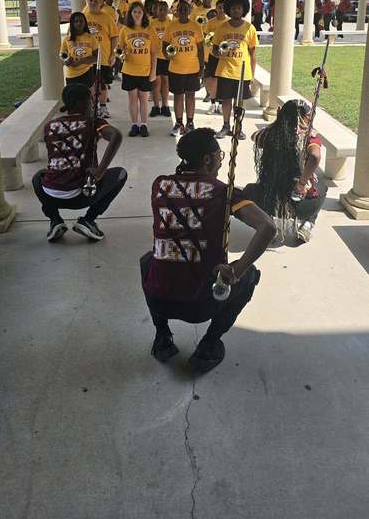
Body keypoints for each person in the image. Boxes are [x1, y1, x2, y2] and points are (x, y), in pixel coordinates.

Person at [141, 128, 276, 372]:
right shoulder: (223, 192)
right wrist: (238, 268)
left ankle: (162, 337)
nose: (220, 161)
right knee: (250, 275)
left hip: (159, 300)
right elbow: (267, 226)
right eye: (218, 155)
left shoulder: (159, 185)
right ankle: (208, 345)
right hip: (202, 304)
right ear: (207, 159)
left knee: (147, 261)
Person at [32, 83, 126, 242]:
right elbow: (116, 136)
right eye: (90, 101)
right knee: (121, 174)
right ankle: (88, 220)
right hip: (82, 195)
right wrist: (100, 170)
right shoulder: (93, 122)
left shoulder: (50, 126)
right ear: (80, 103)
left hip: (50, 194)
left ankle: (55, 220)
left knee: (37, 177)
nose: (92, 104)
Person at [244, 99, 327, 243]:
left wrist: (278, 123)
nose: (310, 117)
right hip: (298, 204)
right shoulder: (309, 138)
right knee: (322, 188)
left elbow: (254, 136)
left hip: (269, 198)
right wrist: (301, 184)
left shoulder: (270, 135)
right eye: (308, 114)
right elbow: (315, 156)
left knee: (249, 191)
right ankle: (307, 225)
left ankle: (268, 224)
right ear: (301, 117)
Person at [212, 0, 258, 140]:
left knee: (239, 102)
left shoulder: (250, 28)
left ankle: (238, 127)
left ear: (243, 10)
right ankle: (226, 126)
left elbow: (252, 53)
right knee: (226, 100)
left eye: (238, 8)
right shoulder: (221, 28)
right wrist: (218, 52)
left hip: (242, 71)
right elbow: (214, 48)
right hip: (225, 70)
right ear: (228, 10)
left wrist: (252, 75)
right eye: (233, 8)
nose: (236, 11)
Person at [163, 0, 204, 137]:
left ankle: (190, 122)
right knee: (178, 96)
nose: (183, 11)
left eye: (185, 9)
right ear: (176, 11)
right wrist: (167, 54)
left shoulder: (195, 27)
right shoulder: (171, 26)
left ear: (189, 11)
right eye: (180, 9)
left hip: (193, 67)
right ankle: (179, 123)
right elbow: (165, 45)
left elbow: (200, 48)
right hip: (175, 68)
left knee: (190, 96)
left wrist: (202, 67)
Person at [118, 1, 158, 137]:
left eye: (139, 12)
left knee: (144, 98)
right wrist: (121, 53)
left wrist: (153, 72)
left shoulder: (149, 29)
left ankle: (144, 124)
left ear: (143, 14)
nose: (137, 14)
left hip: (145, 71)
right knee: (133, 99)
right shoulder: (124, 30)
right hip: (129, 70)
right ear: (130, 14)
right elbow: (120, 48)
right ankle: (134, 124)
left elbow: (153, 53)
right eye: (134, 12)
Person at [83, 0, 119, 118]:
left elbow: (114, 37)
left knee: (102, 83)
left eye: (96, 1)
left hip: (103, 57)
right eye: (90, 1)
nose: (92, 3)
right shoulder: (83, 15)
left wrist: (113, 54)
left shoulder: (106, 18)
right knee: (90, 84)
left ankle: (103, 107)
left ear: (101, 3)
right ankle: (93, 106)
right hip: (87, 58)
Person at [60, 12, 98, 87]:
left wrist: (81, 61)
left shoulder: (91, 38)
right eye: (76, 21)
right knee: (73, 98)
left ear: (85, 23)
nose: (79, 23)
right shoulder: (66, 39)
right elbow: (62, 55)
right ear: (72, 23)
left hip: (87, 74)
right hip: (71, 75)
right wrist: (66, 60)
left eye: (81, 21)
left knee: (86, 97)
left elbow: (96, 57)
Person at [204, 0, 227, 115]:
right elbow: (206, 38)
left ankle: (222, 105)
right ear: (216, 8)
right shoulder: (210, 22)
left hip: (225, 57)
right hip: (213, 55)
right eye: (219, 7)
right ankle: (213, 104)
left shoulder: (229, 22)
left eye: (223, 7)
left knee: (222, 81)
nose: (221, 10)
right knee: (212, 80)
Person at [150, 0, 172, 118]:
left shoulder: (171, 23)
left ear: (167, 10)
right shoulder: (151, 23)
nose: (162, 12)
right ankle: (156, 106)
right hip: (155, 57)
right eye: (160, 10)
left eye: (164, 10)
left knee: (166, 81)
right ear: (156, 11)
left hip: (167, 57)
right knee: (156, 82)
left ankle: (165, 105)